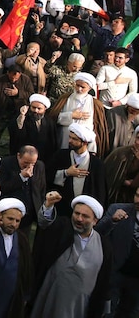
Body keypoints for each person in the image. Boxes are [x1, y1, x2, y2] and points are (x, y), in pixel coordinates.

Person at [31, 193, 112, 318]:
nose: (79, 219)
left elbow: (104, 280)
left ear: (95, 221)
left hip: (80, 306)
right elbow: (46, 223)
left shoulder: (103, 245)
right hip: (51, 296)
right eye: (76, 213)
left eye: (85, 216)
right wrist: (48, 205)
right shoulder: (63, 229)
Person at [95, 187, 139, 318]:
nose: (138, 200)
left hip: (137, 281)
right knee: (106, 312)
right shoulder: (117, 209)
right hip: (114, 273)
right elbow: (96, 234)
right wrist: (112, 221)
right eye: (137, 195)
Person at [47, 123, 106, 215]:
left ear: (85, 142)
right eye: (70, 137)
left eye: (74, 139)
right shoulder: (60, 156)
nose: (70, 141)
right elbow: (47, 177)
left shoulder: (96, 164)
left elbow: (100, 191)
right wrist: (66, 173)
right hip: (62, 210)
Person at [0, 145, 47, 232]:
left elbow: (41, 189)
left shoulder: (40, 166)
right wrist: (21, 177)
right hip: (11, 209)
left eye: (33, 163)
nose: (29, 167)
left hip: (29, 213)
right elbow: (4, 187)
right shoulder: (6, 163)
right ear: (18, 156)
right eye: (26, 163)